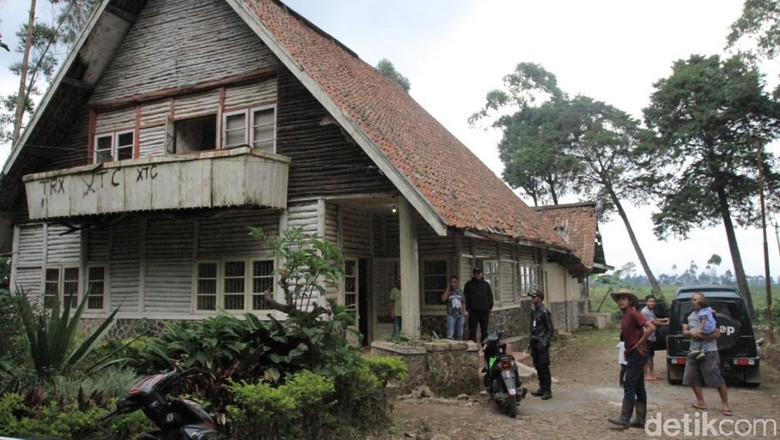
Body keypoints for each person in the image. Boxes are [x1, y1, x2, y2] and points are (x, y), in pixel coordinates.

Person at [608, 289, 656, 429]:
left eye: (624, 298)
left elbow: (651, 327)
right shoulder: (626, 315)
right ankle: (640, 420)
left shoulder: (634, 313)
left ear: (630, 301)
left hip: (638, 354)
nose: (621, 301)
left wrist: (640, 342)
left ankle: (624, 417)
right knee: (639, 386)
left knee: (629, 384)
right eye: (619, 299)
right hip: (633, 353)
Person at [682, 292, 731, 416]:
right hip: (693, 350)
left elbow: (717, 333)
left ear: (702, 302)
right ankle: (700, 401)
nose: (693, 302)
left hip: (710, 351)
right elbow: (684, 331)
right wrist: (691, 334)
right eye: (692, 299)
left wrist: (702, 336)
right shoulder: (688, 315)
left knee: (716, 377)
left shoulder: (711, 314)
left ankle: (725, 405)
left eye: (696, 300)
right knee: (692, 376)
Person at [528, 290, 553, 400]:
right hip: (534, 342)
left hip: (541, 343)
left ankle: (547, 390)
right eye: (532, 297)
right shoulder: (534, 312)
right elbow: (532, 329)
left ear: (540, 298)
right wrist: (530, 342)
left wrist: (544, 342)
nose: (532, 299)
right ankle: (542, 388)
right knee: (537, 366)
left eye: (534, 297)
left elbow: (550, 329)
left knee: (544, 367)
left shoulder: (544, 312)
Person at [640, 295, 669, 380]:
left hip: (651, 336)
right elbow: (655, 322)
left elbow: (655, 319)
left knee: (650, 355)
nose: (652, 303)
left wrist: (665, 319)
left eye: (653, 301)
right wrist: (666, 323)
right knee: (647, 356)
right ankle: (646, 375)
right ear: (646, 302)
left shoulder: (650, 310)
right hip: (647, 336)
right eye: (650, 301)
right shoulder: (645, 311)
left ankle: (651, 374)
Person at [464, 266, 494, 343]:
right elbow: (465, 297)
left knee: (484, 330)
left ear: (482, 274)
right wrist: (466, 309)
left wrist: (490, 306)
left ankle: (484, 347)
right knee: (472, 330)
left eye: (478, 273)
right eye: (475, 273)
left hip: (484, 311)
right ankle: (473, 347)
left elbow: (490, 296)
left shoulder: (486, 284)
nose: (477, 275)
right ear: (473, 274)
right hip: (473, 311)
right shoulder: (469, 284)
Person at [441, 275, 466, 339]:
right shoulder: (448, 291)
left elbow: (463, 302)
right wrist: (447, 289)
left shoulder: (460, 291)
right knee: (450, 334)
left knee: (460, 334)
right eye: (451, 282)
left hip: (460, 315)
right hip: (451, 315)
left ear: (457, 282)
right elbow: (443, 299)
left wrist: (463, 311)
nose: (453, 284)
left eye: (454, 282)